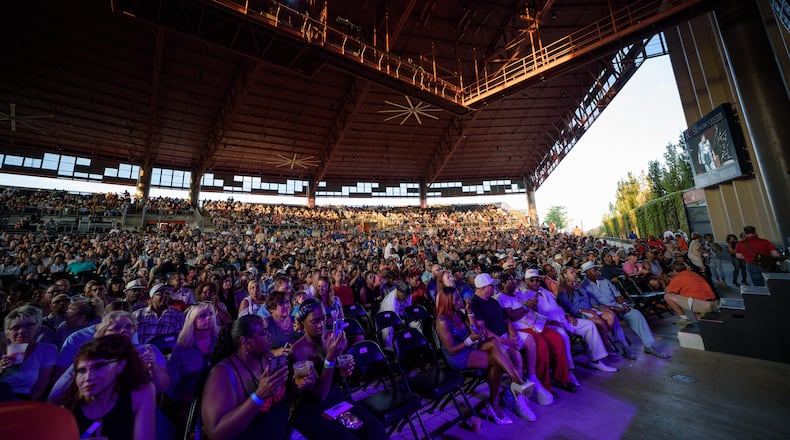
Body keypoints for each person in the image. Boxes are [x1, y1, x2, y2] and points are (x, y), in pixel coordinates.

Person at [435, 285, 535, 424]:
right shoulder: (442, 321)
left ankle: (513, 384)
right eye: (456, 299)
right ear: (446, 301)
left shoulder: (458, 314)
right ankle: (502, 395)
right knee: (497, 361)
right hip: (458, 356)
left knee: (494, 343)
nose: (460, 301)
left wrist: (470, 314)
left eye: (459, 297)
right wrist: (471, 339)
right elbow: (451, 350)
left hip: (470, 347)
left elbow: (474, 329)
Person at [289, 298, 385, 439]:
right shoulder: (298, 350)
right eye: (315, 321)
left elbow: (336, 377)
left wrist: (344, 370)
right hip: (312, 408)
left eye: (323, 318)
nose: (321, 324)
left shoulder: (330, 337)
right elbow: (319, 395)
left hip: (335, 398)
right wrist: (330, 358)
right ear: (303, 322)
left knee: (375, 430)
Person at [201, 315, 290, 440]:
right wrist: (258, 396)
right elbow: (215, 433)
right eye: (263, 332)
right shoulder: (222, 373)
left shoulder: (266, 357)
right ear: (245, 341)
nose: (269, 335)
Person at [60, 334, 156, 440]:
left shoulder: (140, 393)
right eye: (82, 371)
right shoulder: (66, 411)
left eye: (98, 366)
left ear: (120, 365)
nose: (88, 377)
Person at [521, 270, 617, 373]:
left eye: (537, 280)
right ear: (526, 281)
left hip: (564, 319)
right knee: (563, 336)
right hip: (550, 324)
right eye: (532, 280)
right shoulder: (524, 295)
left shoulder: (544, 291)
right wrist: (550, 322)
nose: (535, 282)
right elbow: (532, 317)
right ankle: (568, 370)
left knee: (589, 325)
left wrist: (568, 315)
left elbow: (558, 306)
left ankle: (596, 361)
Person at [578, 262, 670, 359]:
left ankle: (648, 345)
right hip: (604, 311)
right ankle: (626, 348)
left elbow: (618, 295)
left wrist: (623, 304)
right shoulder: (584, 286)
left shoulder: (605, 281)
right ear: (588, 273)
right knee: (614, 318)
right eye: (594, 270)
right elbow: (594, 305)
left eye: (597, 269)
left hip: (617, 306)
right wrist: (612, 308)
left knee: (635, 314)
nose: (597, 271)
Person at [166, 303, 219, 430]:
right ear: (192, 321)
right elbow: (171, 384)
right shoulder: (182, 348)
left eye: (210, 314)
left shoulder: (218, 342)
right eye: (202, 316)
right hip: (189, 402)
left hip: (217, 397)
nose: (208, 318)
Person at [0, 306, 57, 401]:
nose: (22, 331)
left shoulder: (47, 350)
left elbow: (40, 386)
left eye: (29, 326)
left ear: (38, 328)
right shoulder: (2, 349)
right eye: (16, 327)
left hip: (26, 402)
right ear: (7, 333)